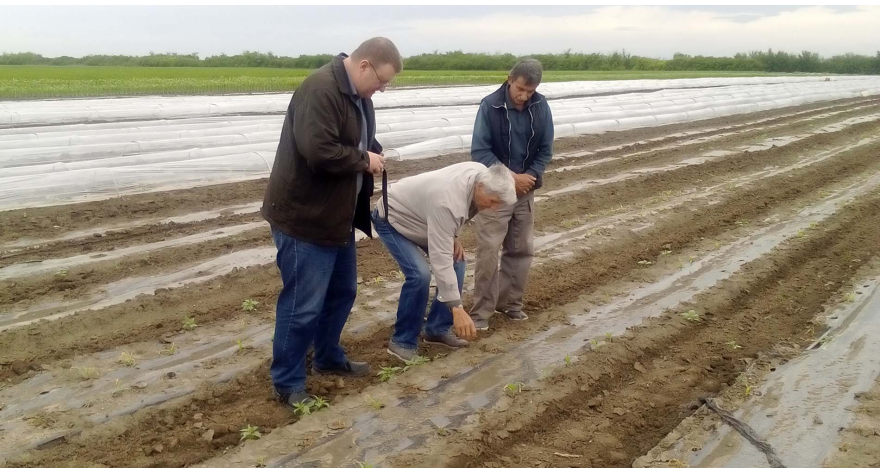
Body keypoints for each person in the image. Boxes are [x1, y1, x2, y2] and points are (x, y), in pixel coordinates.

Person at [261, 37, 402, 408]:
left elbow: (359, 138)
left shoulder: (359, 96)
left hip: (336, 217)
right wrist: (362, 160)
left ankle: (326, 357)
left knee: (342, 292)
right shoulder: (320, 89)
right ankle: (288, 383)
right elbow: (318, 150)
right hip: (304, 218)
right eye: (381, 81)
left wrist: (374, 150)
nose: (382, 89)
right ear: (364, 66)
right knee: (302, 304)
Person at [371, 163, 517, 361]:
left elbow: (454, 214)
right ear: (480, 187)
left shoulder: (480, 174)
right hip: (392, 216)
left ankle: (436, 329)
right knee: (419, 274)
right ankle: (402, 341)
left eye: (499, 203)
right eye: (492, 201)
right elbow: (440, 257)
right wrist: (457, 308)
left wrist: (453, 235)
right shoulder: (447, 203)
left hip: (423, 216)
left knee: (458, 262)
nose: (493, 208)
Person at [470, 59, 554, 330]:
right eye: (520, 89)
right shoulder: (490, 106)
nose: (524, 96)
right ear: (509, 79)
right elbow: (480, 151)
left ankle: (510, 304)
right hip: (495, 192)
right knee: (488, 251)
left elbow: (545, 149)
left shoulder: (541, 106)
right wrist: (510, 177)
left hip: (525, 191)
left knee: (520, 250)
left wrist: (529, 176)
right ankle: (481, 312)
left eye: (530, 91)